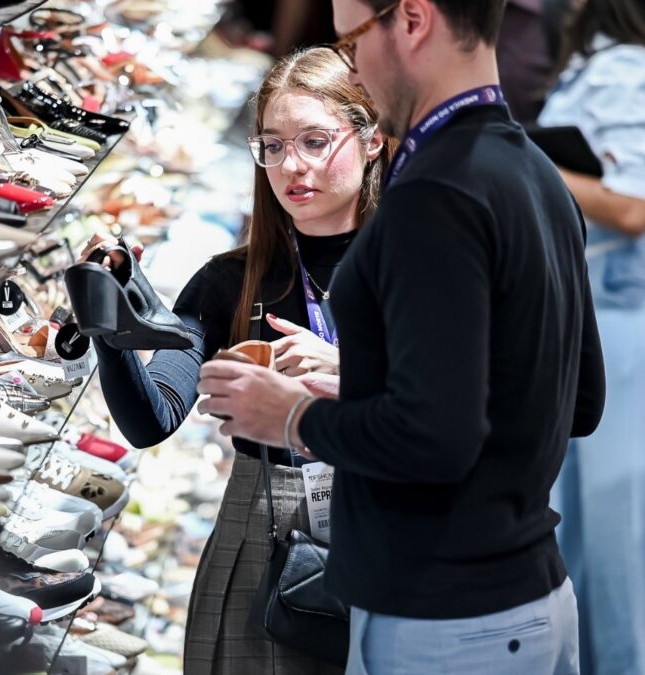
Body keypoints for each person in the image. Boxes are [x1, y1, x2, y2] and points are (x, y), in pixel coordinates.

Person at [196, 1, 605, 672]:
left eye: (351, 40)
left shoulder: (435, 193)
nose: (352, 67)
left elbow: (435, 439)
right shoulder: (534, 171)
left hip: (446, 618)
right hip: (531, 594)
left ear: (412, 20)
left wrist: (292, 415)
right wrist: (371, 383)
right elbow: (578, 401)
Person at [83, 46, 392, 674]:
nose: (292, 166)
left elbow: (478, 402)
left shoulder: (417, 267)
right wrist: (111, 334)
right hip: (265, 527)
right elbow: (153, 418)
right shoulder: (232, 280)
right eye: (272, 146)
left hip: (396, 516)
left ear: (372, 140)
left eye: (314, 141)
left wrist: (349, 370)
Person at [537, 0, 645, 673]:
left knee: (626, 549)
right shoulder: (598, 61)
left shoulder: (627, 67)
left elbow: (632, 206)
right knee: (580, 545)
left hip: (626, 320)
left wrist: (520, 163)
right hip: (594, 318)